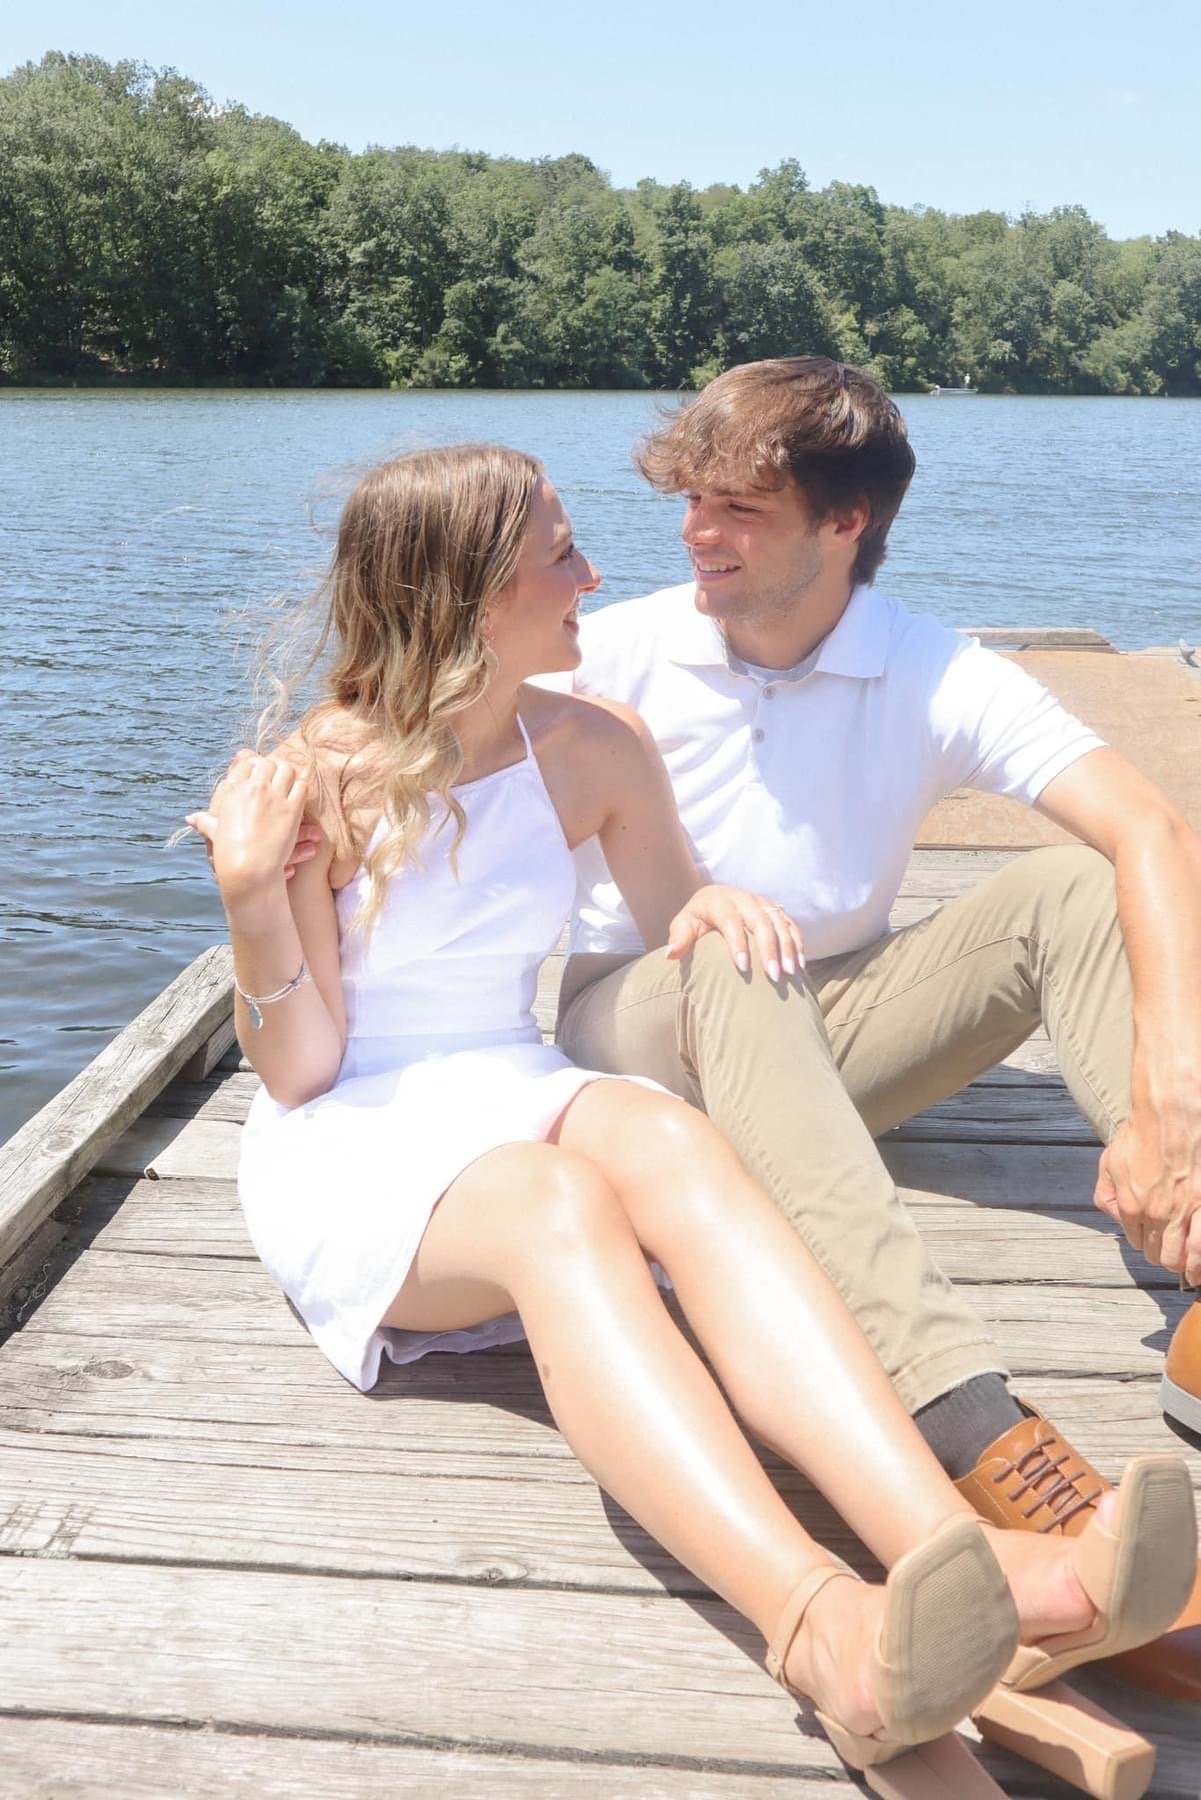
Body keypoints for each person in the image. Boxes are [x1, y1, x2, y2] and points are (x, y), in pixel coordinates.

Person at [188, 444, 1193, 1797]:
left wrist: (713, 912)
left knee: (672, 1140)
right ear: (472, 593)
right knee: (558, 1202)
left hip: (509, 1075)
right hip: (356, 1137)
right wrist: (254, 900)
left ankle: (966, 1558)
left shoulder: (592, 745)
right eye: (560, 553)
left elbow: (677, 922)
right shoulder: (316, 777)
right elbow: (300, 1069)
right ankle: (818, 1627)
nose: (594, 574)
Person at [522, 354, 1201, 1704]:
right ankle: (976, 1431)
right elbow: (410, 729)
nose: (694, 532)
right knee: (732, 946)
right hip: (644, 1022)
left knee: (1068, 887)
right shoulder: (616, 653)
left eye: (738, 508)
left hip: (829, 1022)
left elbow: (1149, 829)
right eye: (689, 500)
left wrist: (1169, 1099)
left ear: (847, 523)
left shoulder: (927, 666)